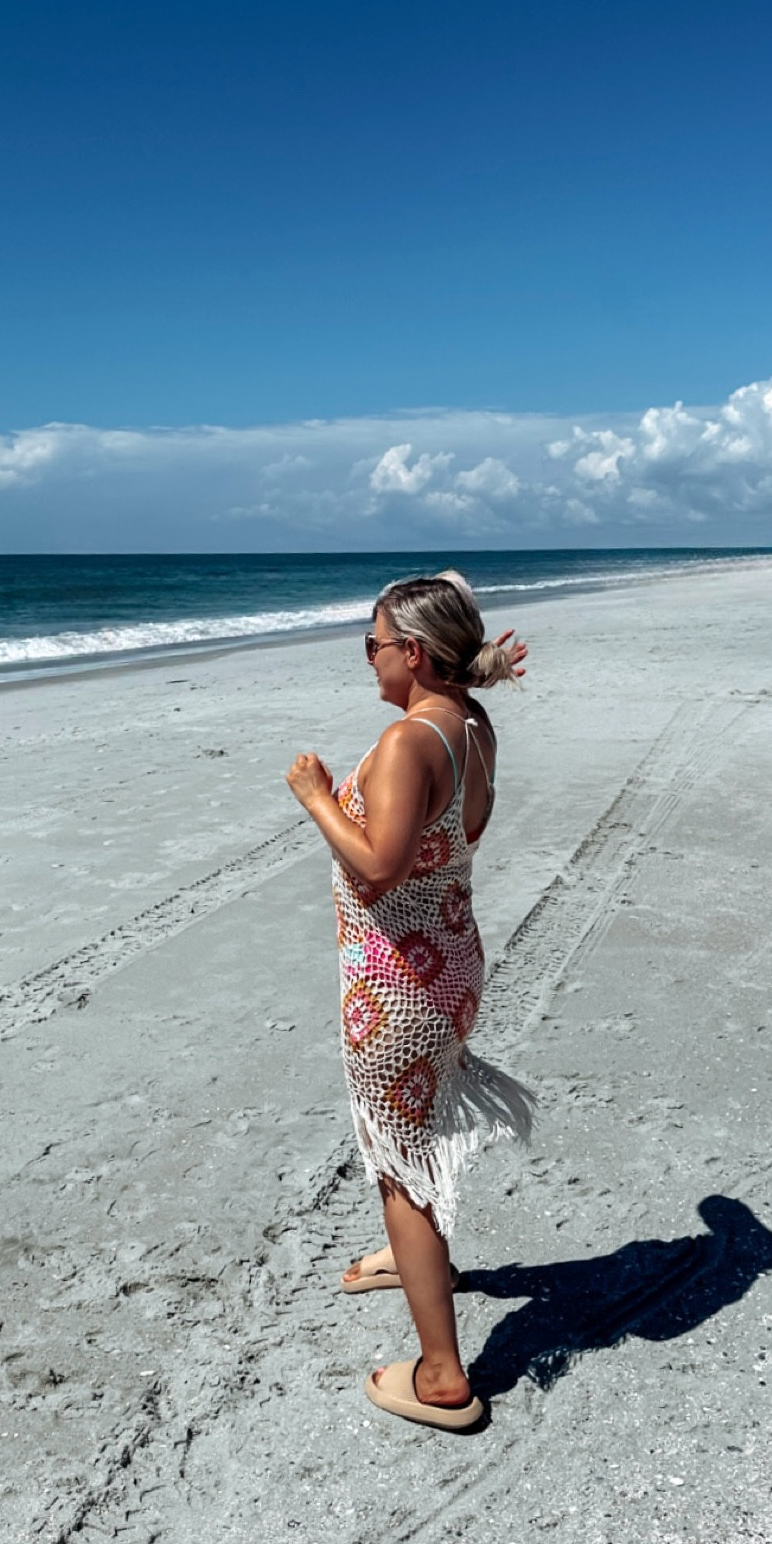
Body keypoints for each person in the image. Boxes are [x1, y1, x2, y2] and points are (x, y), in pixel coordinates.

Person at [286, 571, 534, 1431]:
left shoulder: (407, 744)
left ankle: (441, 1377)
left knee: (400, 1164)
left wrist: (318, 797)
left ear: (415, 654)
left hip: (399, 986)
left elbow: (379, 862)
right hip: (450, 965)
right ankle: (412, 1260)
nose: (369, 657)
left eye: (375, 643)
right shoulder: (472, 726)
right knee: (414, 1138)